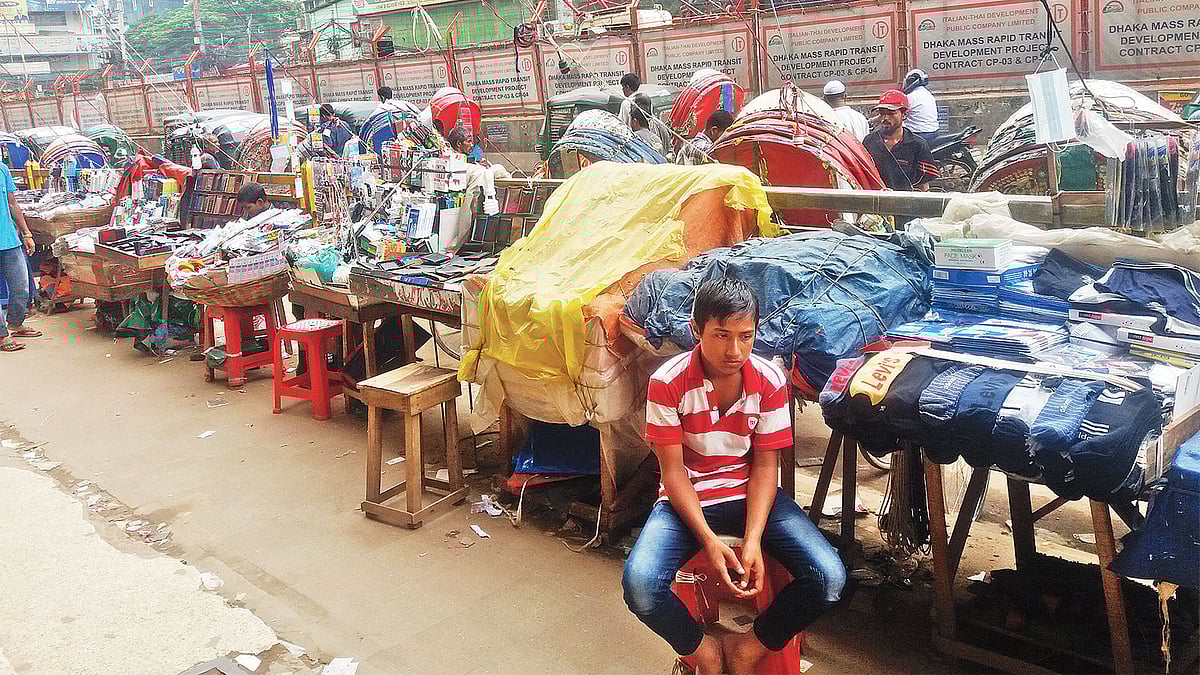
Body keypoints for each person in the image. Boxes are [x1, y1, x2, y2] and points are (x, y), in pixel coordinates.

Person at [623, 278, 845, 675]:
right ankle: (703, 651)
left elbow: (764, 466)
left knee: (828, 577)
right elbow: (672, 475)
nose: (734, 350)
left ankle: (749, 646)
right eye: (721, 335)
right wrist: (708, 541)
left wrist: (754, 539)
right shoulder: (667, 383)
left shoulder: (770, 380)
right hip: (685, 500)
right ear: (696, 330)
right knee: (640, 586)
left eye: (746, 336)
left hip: (752, 497)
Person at [863, 89, 937, 193]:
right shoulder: (869, 142)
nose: (885, 118)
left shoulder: (917, 145)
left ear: (904, 115)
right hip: (877, 203)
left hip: (907, 203)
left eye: (891, 113)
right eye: (882, 113)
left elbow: (923, 185)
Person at [0, 160, 40, 352]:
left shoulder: (2, 168)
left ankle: (15, 323)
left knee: (21, 286)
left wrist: (26, 233)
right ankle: (1, 336)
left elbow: (13, 203)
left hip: (9, 240)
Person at [901, 68, 939, 145]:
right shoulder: (927, 94)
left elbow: (899, 113)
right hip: (933, 132)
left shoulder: (911, 97)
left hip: (918, 134)